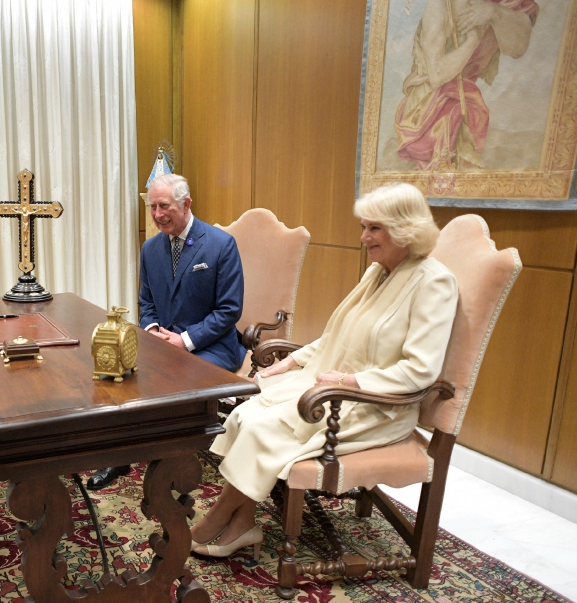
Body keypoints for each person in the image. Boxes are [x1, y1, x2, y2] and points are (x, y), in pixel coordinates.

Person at [190, 183, 457, 558]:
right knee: (247, 413)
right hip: (336, 390)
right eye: (364, 227)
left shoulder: (435, 283)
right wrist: (292, 361)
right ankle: (241, 524)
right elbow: (338, 335)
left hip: (378, 406)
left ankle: (217, 521)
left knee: (264, 428)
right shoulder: (378, 273)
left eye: (373, 228)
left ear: (405, 228)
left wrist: (350, 381)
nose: (363, 237)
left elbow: (420, 371)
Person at [87, 173, 244, 491]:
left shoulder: (220, 245)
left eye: (164, 206)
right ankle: (119, 454)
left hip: (211, 345)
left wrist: (184, 341)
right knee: (116, 373)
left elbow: (229, 311)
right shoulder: (150, 249)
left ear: (186, 204)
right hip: (162, 342)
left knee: (169, 381)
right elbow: (146, 303)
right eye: (152, 207)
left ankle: (171, 463)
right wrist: (154, 330)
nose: (157, 215)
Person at [394, 0, 538, 171]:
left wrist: (494, 12)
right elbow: (437, 75)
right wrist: (473, 40)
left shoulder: (503, 4)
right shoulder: (441, 4)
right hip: (428, 113)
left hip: (461, 102)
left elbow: (517, 48)